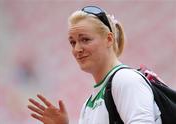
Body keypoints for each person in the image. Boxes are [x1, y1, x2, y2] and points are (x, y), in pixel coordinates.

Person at [28, 5, 162, 124]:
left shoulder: (126, 80)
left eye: (85, 39)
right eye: (73, 42)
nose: (77, 49)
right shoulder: (88, 104)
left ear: (109, 39)